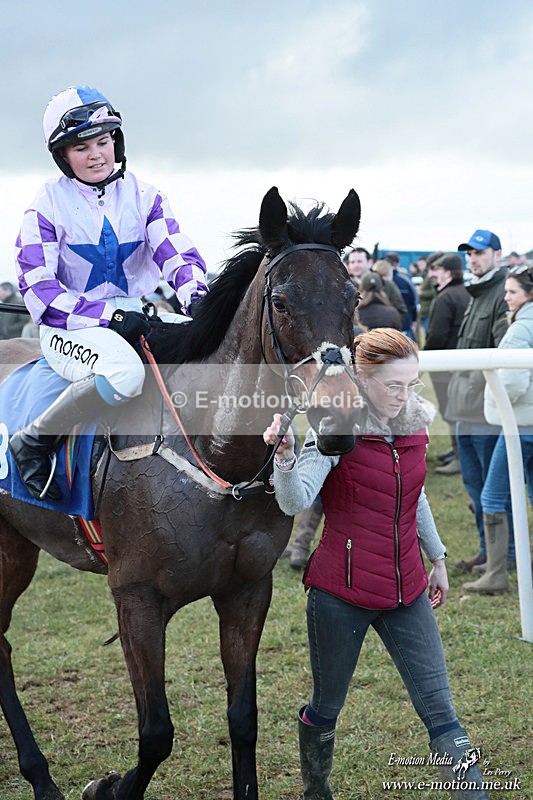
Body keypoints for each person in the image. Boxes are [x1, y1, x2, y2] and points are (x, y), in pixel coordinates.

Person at [263, 328, 488, 800]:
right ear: (362, 380)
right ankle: (316, 790)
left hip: (407, 590)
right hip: (339, 595)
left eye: (411, 385)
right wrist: (283, 459)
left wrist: (439, 557)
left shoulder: (414, 422)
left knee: (442, 712)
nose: (403, 396)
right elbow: (296, 500)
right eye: (392, 386)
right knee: (326, 708)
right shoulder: (334, 426)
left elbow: (416, 493)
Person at [9, 85, 208, 502]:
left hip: (135, 314)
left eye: (103, 141)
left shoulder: (146, 195)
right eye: (82, 147)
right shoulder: (45, 205)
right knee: (125, 373)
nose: (97, 154)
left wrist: (199, 300)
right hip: (69, 326)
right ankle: (34, 441)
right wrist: (109, 318)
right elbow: (41, 293)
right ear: (63, 156)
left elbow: (176, 255)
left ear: (116, 141)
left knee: (208, 349)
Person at [463, 265, 533, 594]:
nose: (506, 297)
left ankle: (496, 573)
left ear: (528, 294)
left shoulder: (521, 328)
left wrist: (498, 399)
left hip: (520, 425)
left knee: (492, 496)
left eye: (512, 292)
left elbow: (513, 379)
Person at [444, 230, 509, 574]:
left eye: (480, 253)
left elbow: (501, 356)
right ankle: (488, 550)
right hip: (464, 409)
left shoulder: (501, 293)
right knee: (474, 484)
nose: (473, 258)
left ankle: (506, 554)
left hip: (485, 409)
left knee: (492, 486)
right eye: (469, 253)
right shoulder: (477, 292)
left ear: (498, 255)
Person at [424, 254, 470, 475]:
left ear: (448, 272)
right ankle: (457, 451)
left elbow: (437, 334)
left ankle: (460, 456)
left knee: (451, 409)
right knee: (456, 408)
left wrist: (426, 357)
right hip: (459, 361)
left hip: (445, 361)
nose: (433, 273)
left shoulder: (445, 297)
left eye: (438, 269)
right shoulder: (464, 292)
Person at [383, 252, 419, 341]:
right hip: (405, 326)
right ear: (397, 263)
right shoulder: (406, 279)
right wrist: (414, 319)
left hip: (384, 330)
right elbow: (414, 301)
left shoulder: (378, 279)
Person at [370, 259, 408, 323]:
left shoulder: (368, 284)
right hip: (389, 328)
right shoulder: (391, 286)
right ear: (389, 273)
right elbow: (402, 310)